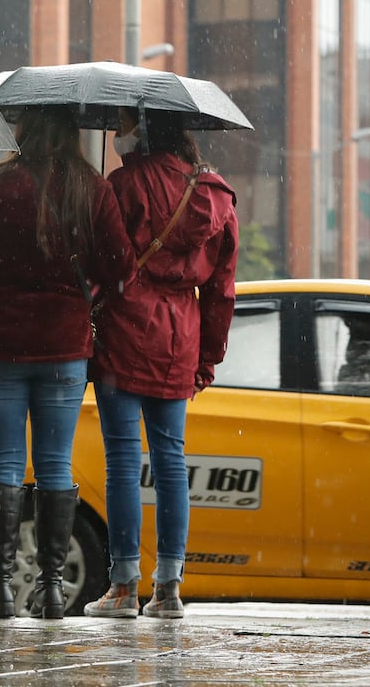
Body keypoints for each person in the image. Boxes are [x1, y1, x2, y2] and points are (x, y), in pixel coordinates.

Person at [0, 106, 134, 619]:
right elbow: (122, 268)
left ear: (23, 128)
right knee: (54, 463)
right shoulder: (91, 188)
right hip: (64, 347)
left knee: (4, 462)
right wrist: (87, 289)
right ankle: (51, 590)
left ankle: (0, 589)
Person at [83, 107, 239, 619]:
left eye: (124, 126)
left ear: (145, 132)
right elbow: (221, 291)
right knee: (171, 461)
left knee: (123, 461)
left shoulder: (123, 185)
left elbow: (103, 264)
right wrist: (207, 357)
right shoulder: (216, 195)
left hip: (126, 330)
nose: (116, 134)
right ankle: (169, 587)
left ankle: (123, 587)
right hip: (181, 336)